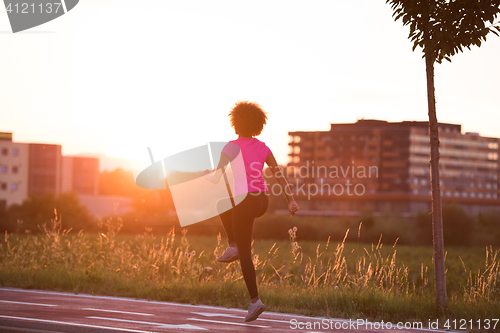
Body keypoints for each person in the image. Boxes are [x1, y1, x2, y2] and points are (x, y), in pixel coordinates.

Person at [204, 101, 299, 322]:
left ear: (235, 123)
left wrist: (206, 173)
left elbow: (216, 178)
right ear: (258, 124)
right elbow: (278, 174)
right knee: (223, 202)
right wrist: (290, 199)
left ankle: (255, 300)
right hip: (262, 201)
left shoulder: (230, 147)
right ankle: (233, 245)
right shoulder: (263, 147)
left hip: (245, 202)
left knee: (245, 253)